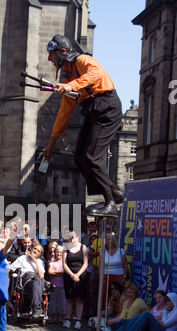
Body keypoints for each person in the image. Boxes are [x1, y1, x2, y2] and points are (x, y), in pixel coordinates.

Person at [44, 34, 124, 217]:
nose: (50, 59)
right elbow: (64, 111)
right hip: (93, 111)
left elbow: (97, 74)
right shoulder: (68, 76)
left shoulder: (83, 60)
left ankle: (110, 203)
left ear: (62, 52)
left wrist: (72, 86)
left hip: (107, 107)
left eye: (52, 54)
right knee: (79, 158)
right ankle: (115, 194)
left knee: (92, 156)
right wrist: (52, 141)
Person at [108, 292, 177, 331]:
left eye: (170, 301)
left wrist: (164, 311)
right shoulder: (169, 310)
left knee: (146, 314)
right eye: (167, 301)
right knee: (138, 316)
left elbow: (164, 325)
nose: (168, 303)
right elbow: (161, 322)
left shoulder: (174, 312)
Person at [9, 243, 46, 318]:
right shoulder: (23, 258)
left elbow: (41, 275)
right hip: (26, 280)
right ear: (31, 249)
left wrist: (35, 262)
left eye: (38, 251)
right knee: (36, 281)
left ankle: (36, 307)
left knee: (37, 280)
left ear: (39, 254)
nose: (35, 251)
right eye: (35, 249)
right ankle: (40, 303)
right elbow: (11, 268)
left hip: (37, 281)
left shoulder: (40, 262)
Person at [62, 232, 88, 329]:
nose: (72, 241)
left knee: (79, 298)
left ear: (77, 238)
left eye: (73, 238)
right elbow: (64, 264)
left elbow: (85, 263)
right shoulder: (66, 248)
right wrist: (72, 275)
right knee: (69, 298)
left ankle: (78, 320)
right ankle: (68, 319)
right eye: (70, 239)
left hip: (80, 274)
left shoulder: (83, 247)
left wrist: (78, 274)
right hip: (69, 274)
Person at [103, 234, 128, 303]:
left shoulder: (121, 251)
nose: (108, 241)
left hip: (118, 275)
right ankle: (108, 311)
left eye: (110, 239)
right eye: (107, 240)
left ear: (114, 240)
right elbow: (100, 266)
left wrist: (124, 277)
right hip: (106, 276)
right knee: (107, 294)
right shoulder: (103, 252)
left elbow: (125, 265)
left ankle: (118, 311)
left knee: (118, 294)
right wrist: (102, 278)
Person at [48, 245, 66, 324]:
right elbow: (50, 271)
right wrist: (58, 273)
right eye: (57, 252)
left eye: (61, 252)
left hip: (63, 285)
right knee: (53, 301)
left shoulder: (65, 263)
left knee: (62, 301)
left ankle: (63, 316)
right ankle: (53, 315)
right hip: (54, 285)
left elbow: (64, 273)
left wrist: (56, 272)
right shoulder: (52, 262)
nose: (59, 254)